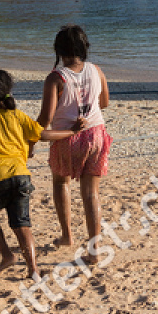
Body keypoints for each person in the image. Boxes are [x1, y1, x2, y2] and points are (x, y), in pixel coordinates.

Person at [0, 70, 80, 278]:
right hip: (22, 178)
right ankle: (33, 269)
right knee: (22, 224)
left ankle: (7, 255)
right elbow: (44, 135)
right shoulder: (18, 116)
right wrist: (73, 131)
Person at [37, 25, 112, 248]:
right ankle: (95, 248)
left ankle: (67, 236)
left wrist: (31, 137)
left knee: (61, 182)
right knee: (91, 194)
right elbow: (104, 103)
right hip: (96, 133)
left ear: (59, 51)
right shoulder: (96, 70)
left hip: (66, 137)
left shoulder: (56, 78)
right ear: (84, 47)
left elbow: (45, 118)